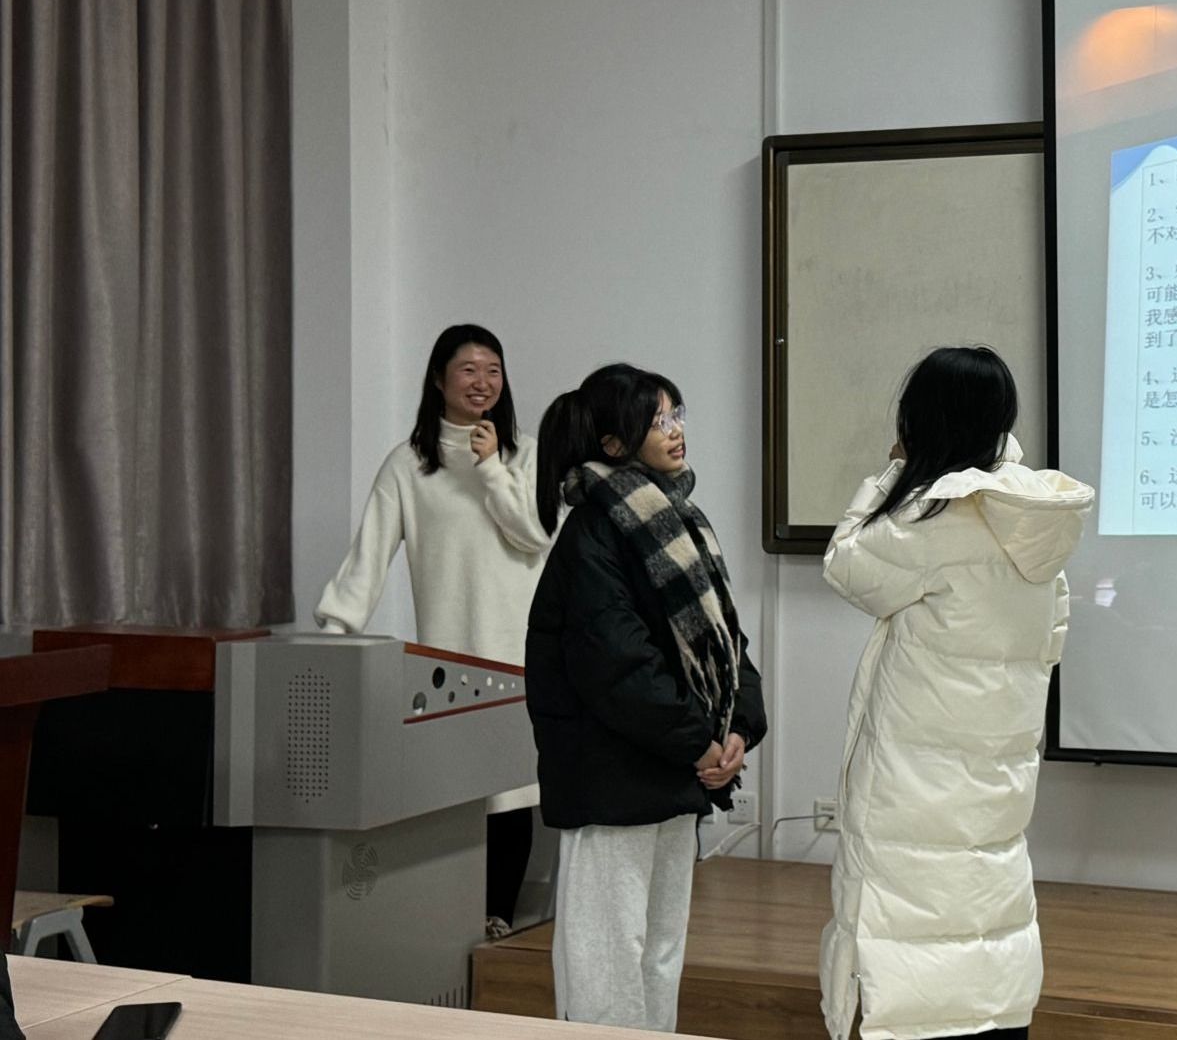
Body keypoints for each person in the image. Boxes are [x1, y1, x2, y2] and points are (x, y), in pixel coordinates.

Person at [818, 347, 1095, 1040]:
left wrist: (892, 471)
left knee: (905, 933)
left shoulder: (936, 520)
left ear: (922, 422)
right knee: (982, 908)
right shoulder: (1032, 527)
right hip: (996, 775)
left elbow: (846, 564)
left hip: (914, 782)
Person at [526, 364, 767, 1033]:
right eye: (658, 421)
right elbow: (619, 666)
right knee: (607, 960)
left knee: (660, 956)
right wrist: (700, 744)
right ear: (612, 444)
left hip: (670, 772)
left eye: (676, 414)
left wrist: (739, 726)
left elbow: (726, 642)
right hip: (613, 780)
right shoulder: (595, 532)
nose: (675, 430)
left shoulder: (677, 520)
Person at [315, 323, 550, 936]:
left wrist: (491, 467)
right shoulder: (408, 463)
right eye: (468, 369)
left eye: (493, 370)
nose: (482, 382)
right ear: (440, 380)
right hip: (448, 661)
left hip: (520, 653)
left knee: (511, 791)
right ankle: (453, 921)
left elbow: (534, 534)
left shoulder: (524, 453)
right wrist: (335, 631)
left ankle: (498, 915)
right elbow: (369, 554)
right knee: (455, 792)